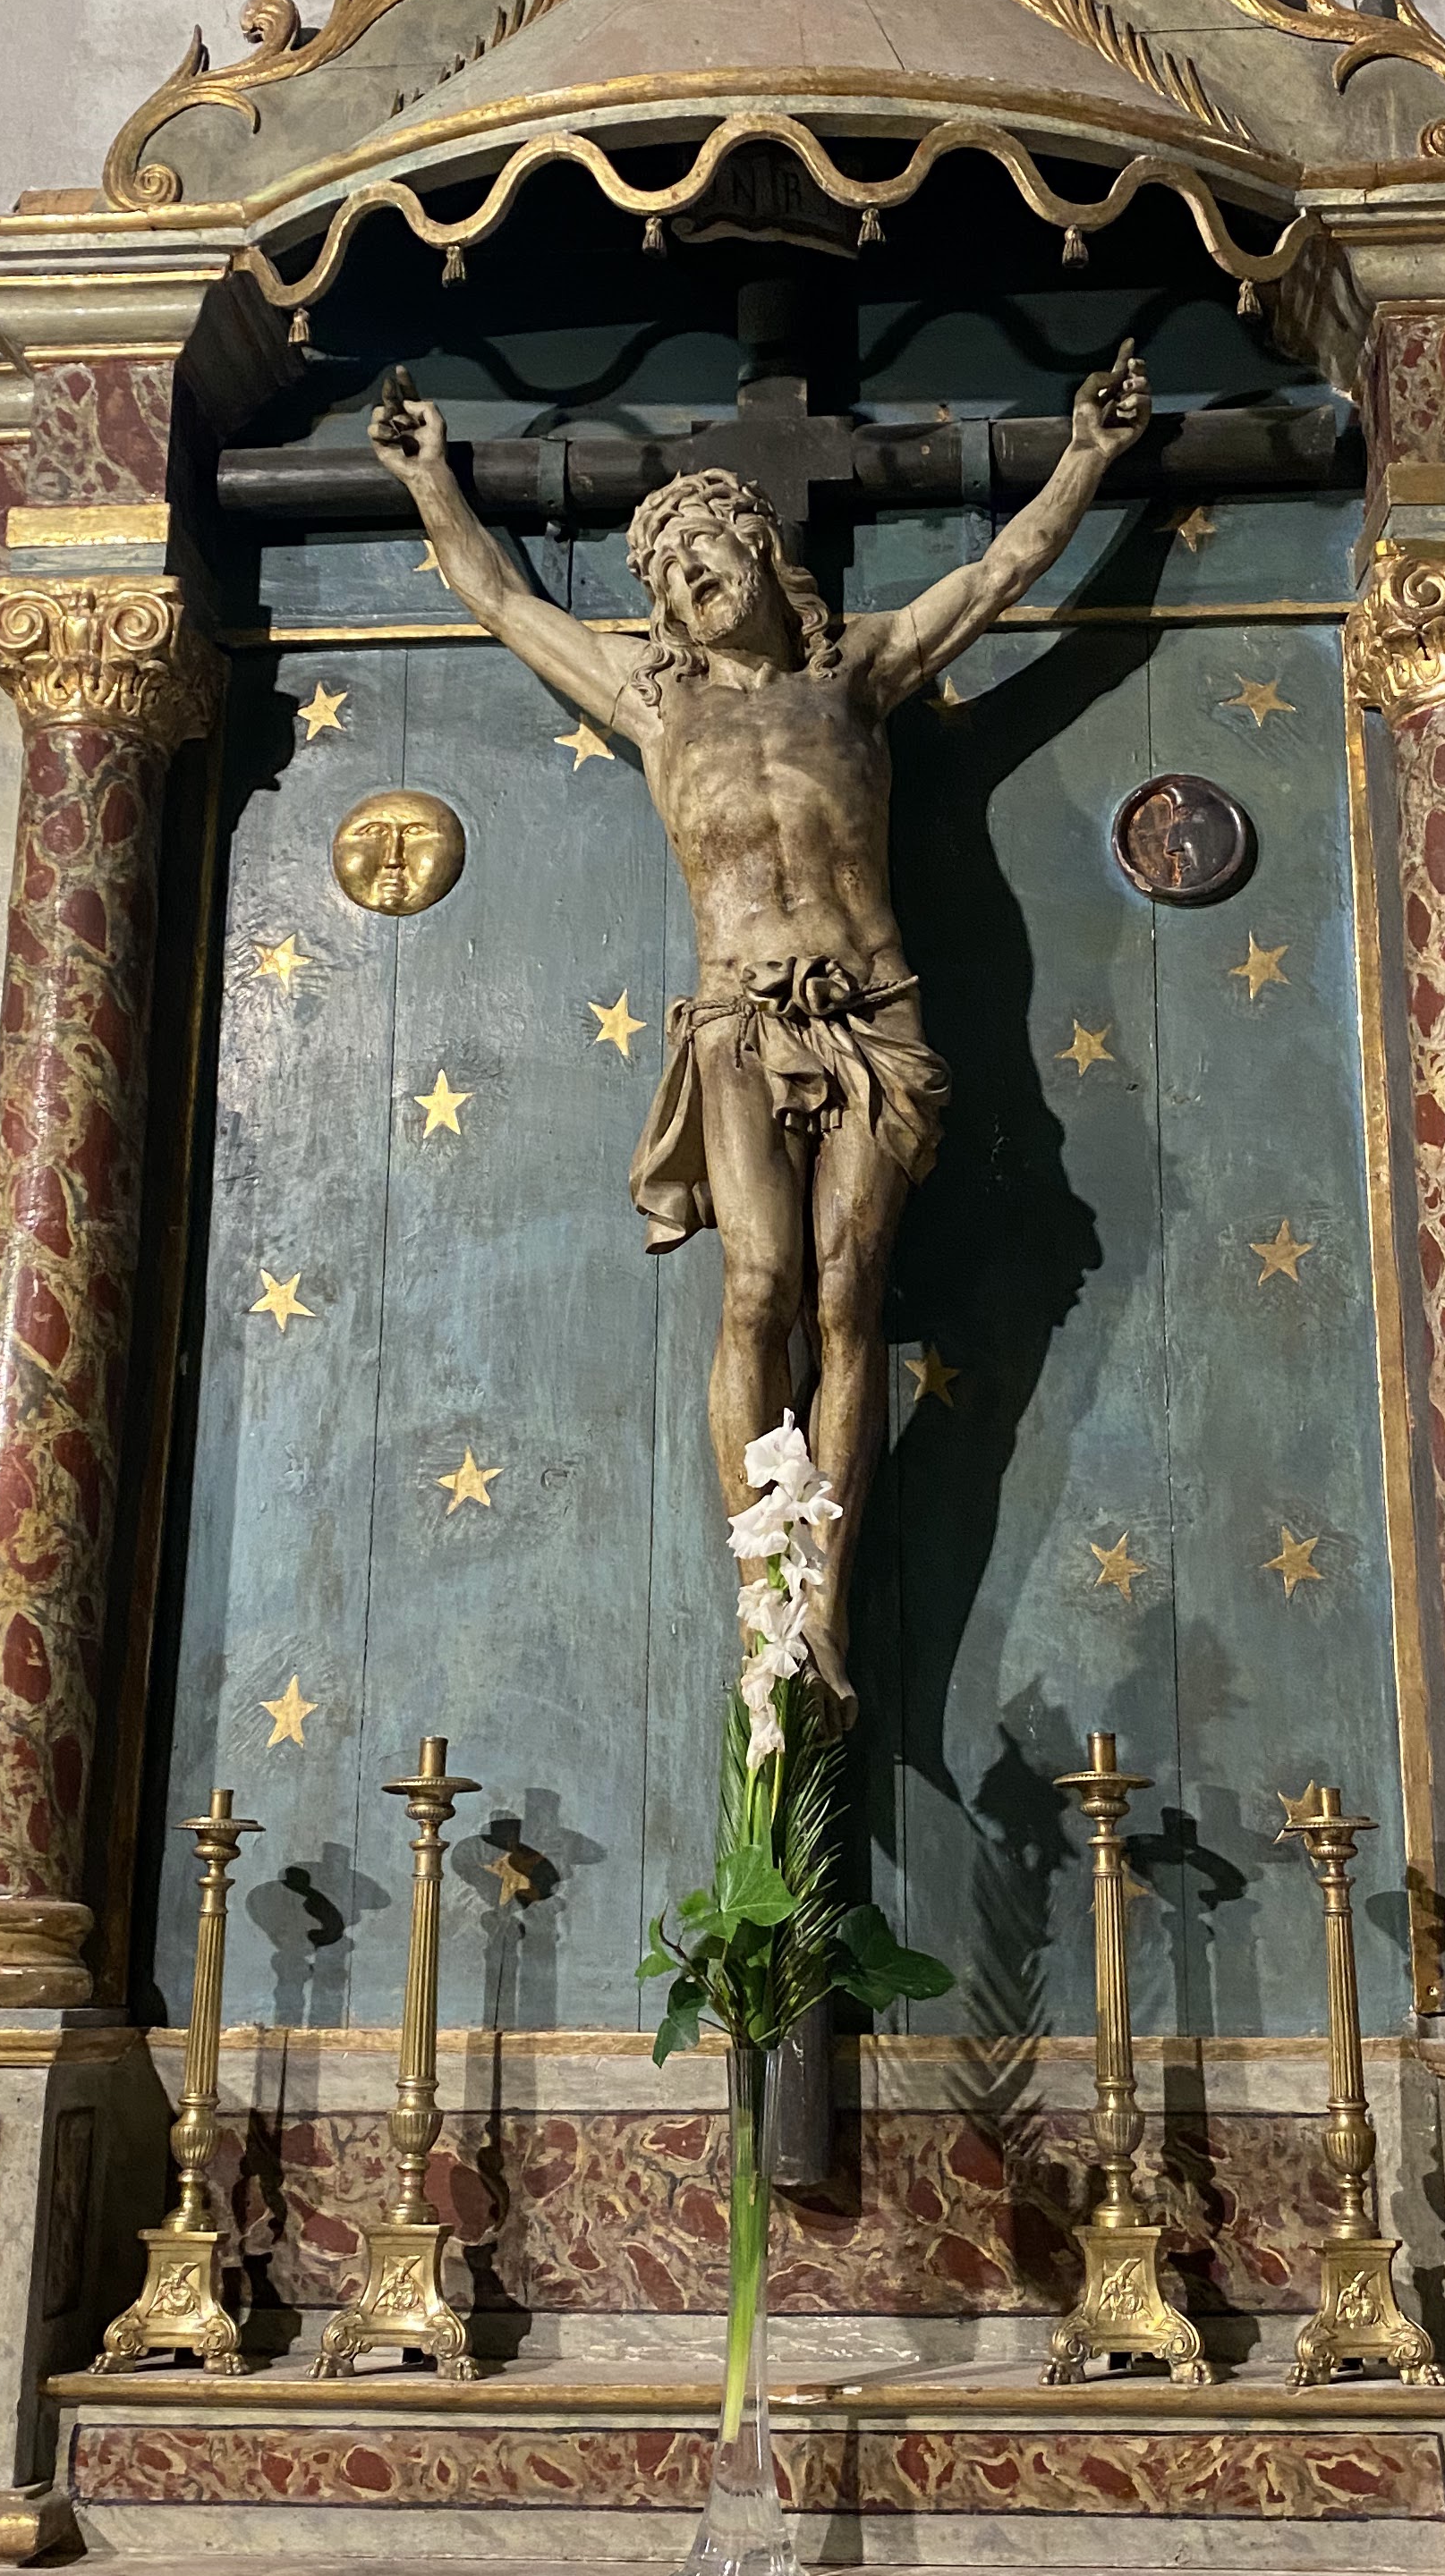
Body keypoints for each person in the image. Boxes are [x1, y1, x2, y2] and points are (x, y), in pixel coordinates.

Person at [371, 344, 1152, 1710]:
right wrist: (432, 478)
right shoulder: (654, 701)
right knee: (757, 1290)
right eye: (666, 577)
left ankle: (821, 1605)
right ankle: (761, 1605)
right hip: (737, 1021)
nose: (689, 582)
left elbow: (997, 576)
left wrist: (1088, 454)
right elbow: (499, 599)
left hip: (874, 1015)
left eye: (705, 553)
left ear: (758, 551)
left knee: (848, 1299)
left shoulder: (855, 675)